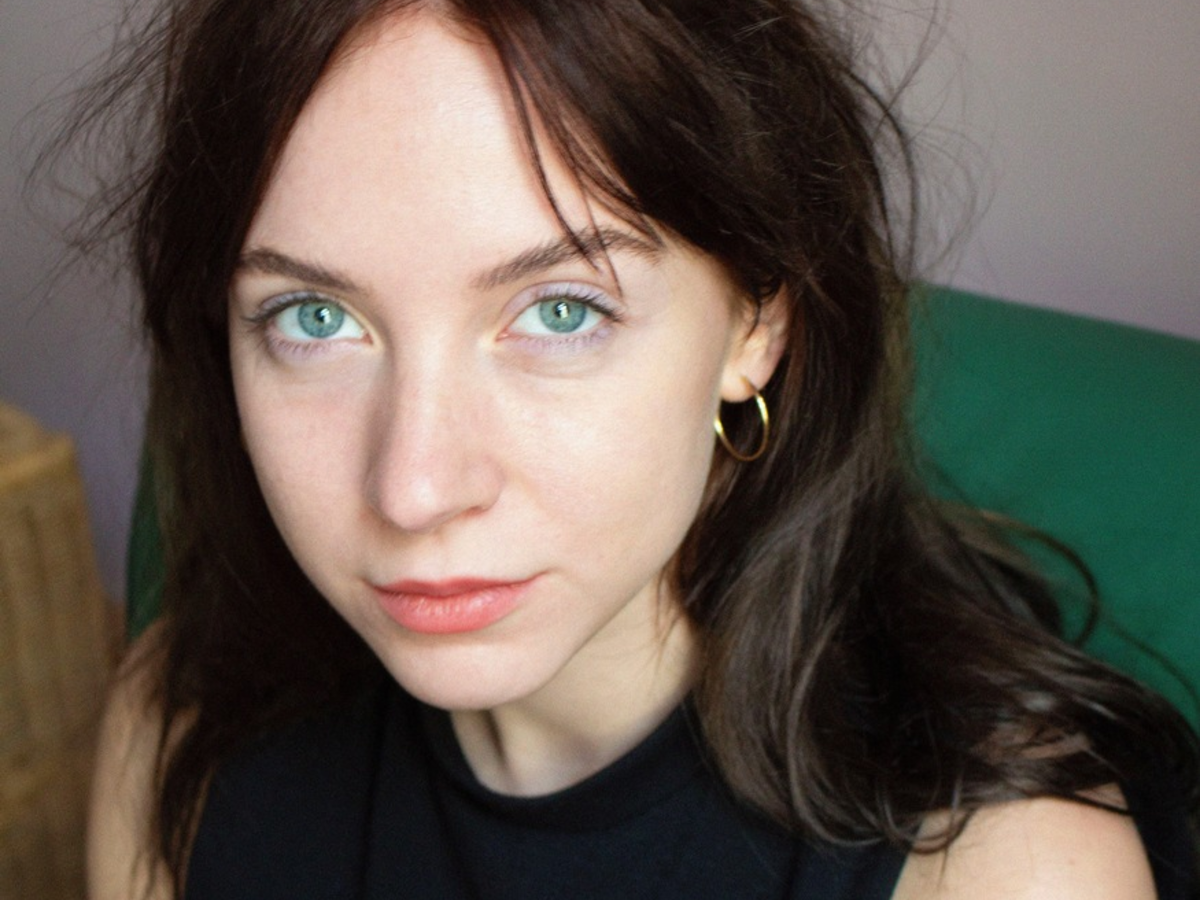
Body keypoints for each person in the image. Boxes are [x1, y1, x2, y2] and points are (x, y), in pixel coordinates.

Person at [78, 1, 1198, 898]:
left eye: (560, 311)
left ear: (756, 326)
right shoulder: (181, 728)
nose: (413, 489)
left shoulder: (1006, 868)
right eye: (315, 319)